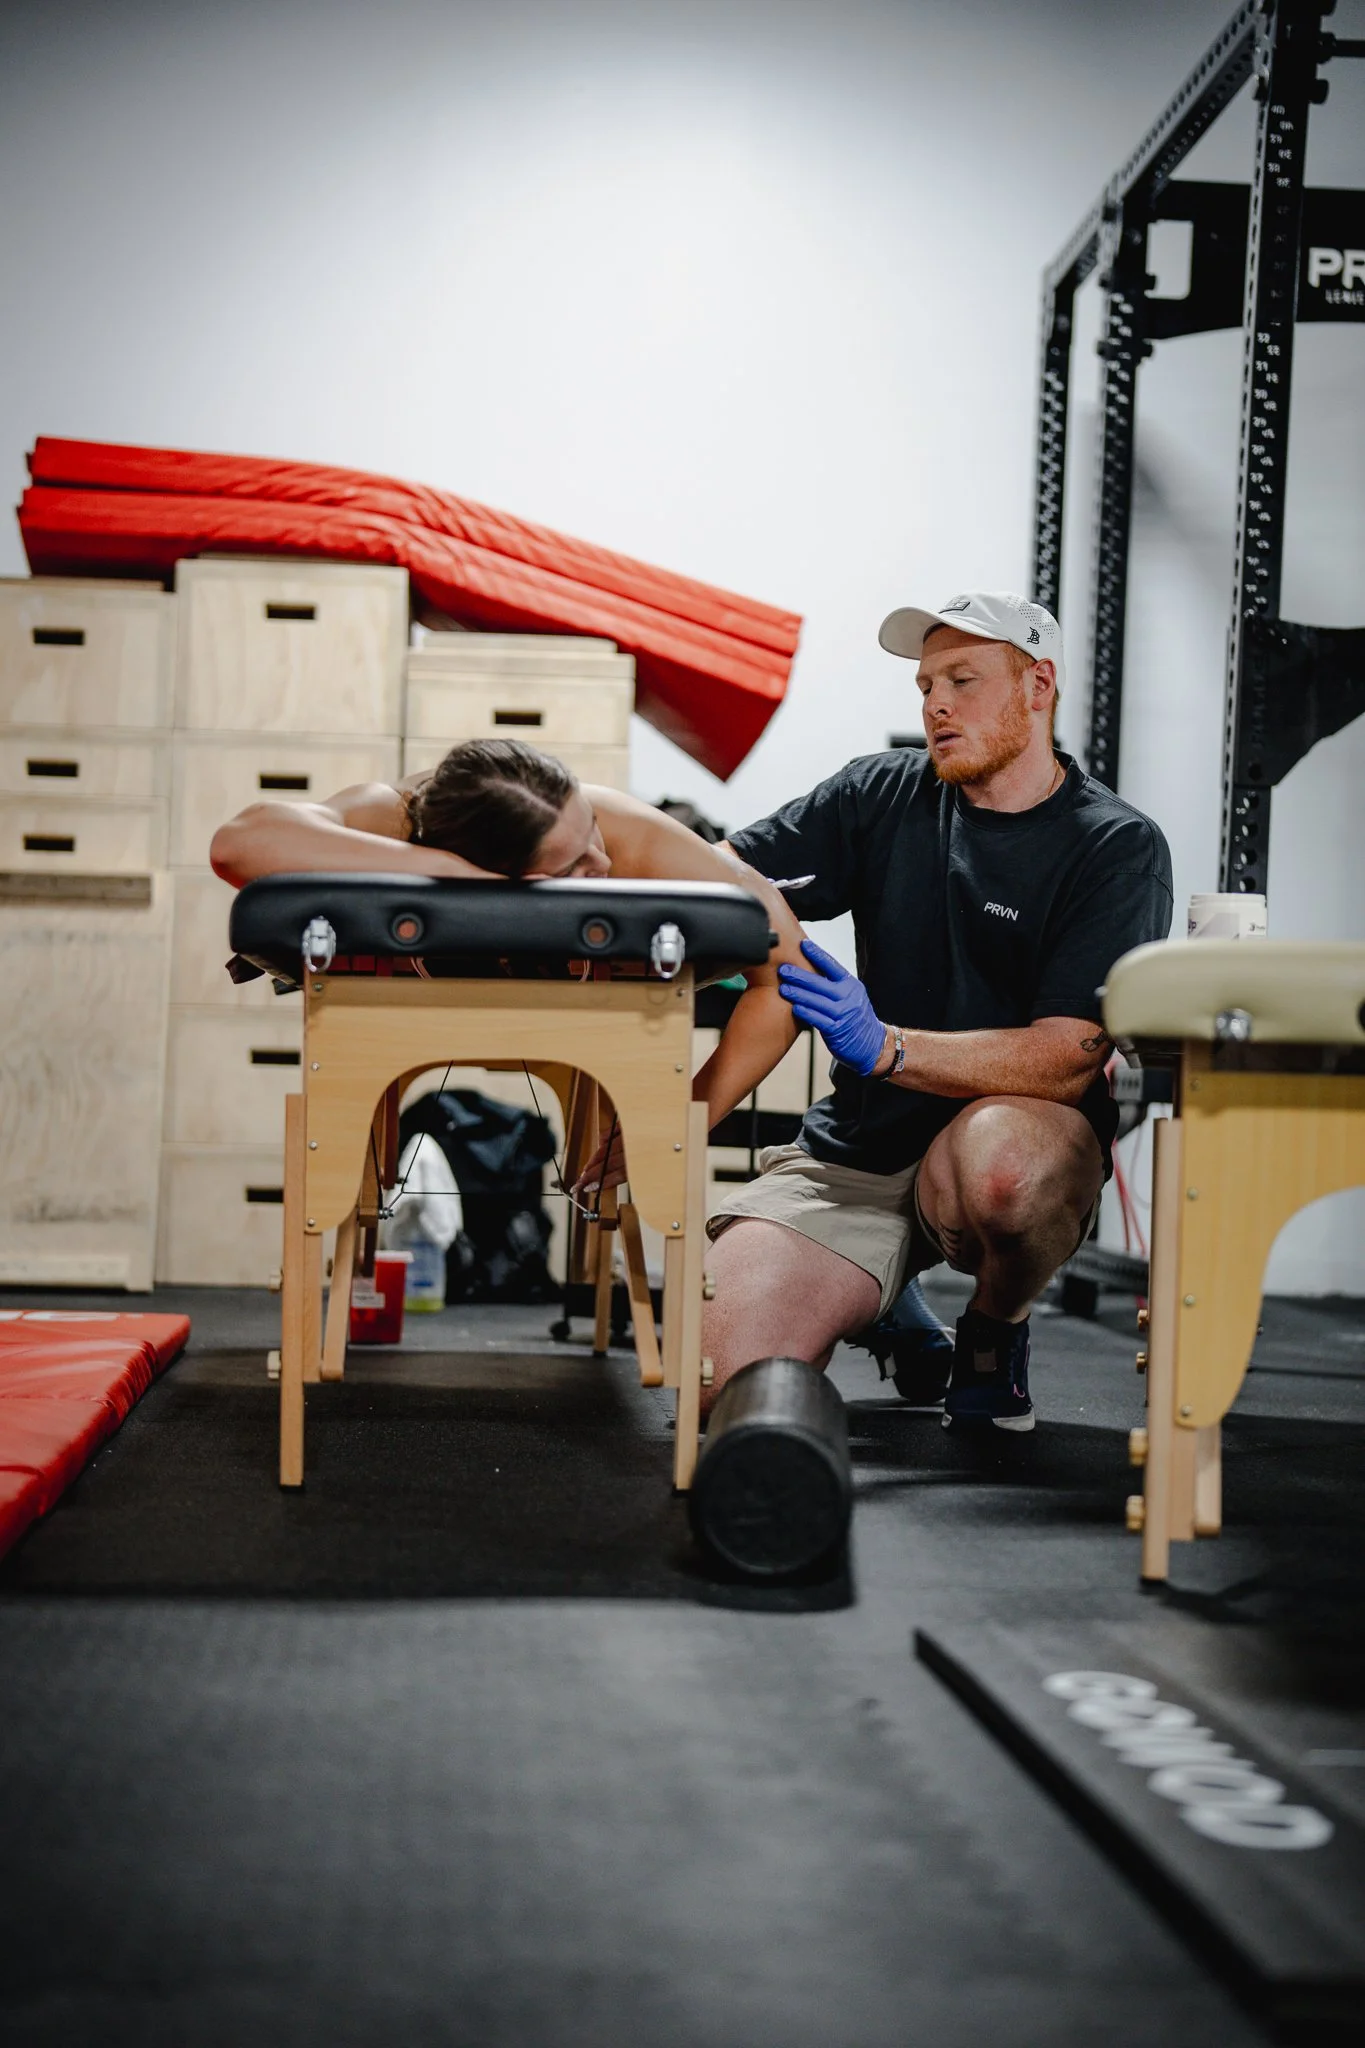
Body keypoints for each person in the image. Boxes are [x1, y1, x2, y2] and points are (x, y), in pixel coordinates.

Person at [704, 591, 1173, 1432]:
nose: (935, 705)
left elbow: (1066, 1057)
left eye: (962, 679)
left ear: (1038, 688)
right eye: (924, 686)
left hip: (997, 1150)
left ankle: (991, 1328)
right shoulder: (877, 794)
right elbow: (716, 874)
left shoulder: (1112, 845)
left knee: (1003, 1170)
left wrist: (883, 1045)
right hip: (857, 1155)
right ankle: (888, 1300)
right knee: (714, 1386)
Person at [209, 735, 810, 1179]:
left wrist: (689, 1118)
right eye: (570, 866)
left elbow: (789, 970)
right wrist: (444, 876)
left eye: (590, 830)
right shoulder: (391, 816)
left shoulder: (630, 836)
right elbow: (237, 844)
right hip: (410, 990)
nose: (600, 864)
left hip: (587, 1003)